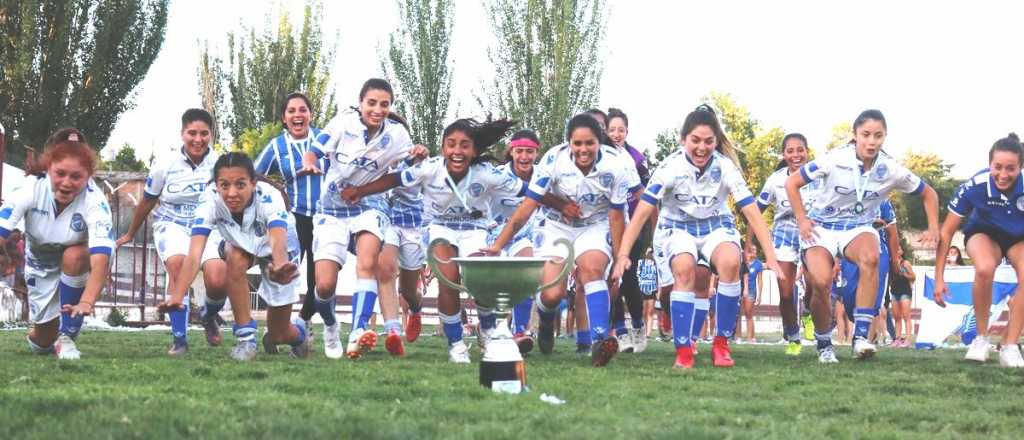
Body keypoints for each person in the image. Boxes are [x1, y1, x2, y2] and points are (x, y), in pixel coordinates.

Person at [612, 104, 783, 369]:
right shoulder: (669, 167)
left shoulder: (725, 167)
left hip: (715, 225)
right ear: (683, 140)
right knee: (683, 271)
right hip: (677, 228)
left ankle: (721, 345)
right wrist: (623, 254)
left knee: (730, 262)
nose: (702, 147)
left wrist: (770, 255)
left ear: (716, 142)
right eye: (695, 140)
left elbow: (751, 211)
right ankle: (683, 350)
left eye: (708, 141)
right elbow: (642, 212)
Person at [345, 117, 524, 364]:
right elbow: (394, 179)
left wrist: (561, 202)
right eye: (451, 145)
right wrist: (359, 191)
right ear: (443, 149)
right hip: (439, 228)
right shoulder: (430, 168)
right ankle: (456, 344)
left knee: (479, 278)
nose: (457, 151)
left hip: (476, 229)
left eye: (464, 145)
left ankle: (487, 328)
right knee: (448, 278)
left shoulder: (486, 173)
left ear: (473, 150)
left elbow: (530, 191)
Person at [786, 109, 939, 363]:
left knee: (871, 256)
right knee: (821, 283)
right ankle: (824, 344)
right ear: (855, 135)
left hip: (858, 226)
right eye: (866, 135)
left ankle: (860, 339)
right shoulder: (834, 159)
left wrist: (934, 227)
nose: (871, 141)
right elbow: (792, 183)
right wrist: (802, 219)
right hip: (822, 227)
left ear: (885, 137)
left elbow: (929, 193)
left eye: (878, 136)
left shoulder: (890, 168)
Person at [485, 113, 634, 367]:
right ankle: (544, 319)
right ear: (568, 144)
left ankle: (600, 341)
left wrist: (621, 257)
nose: (583, 149)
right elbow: (527, 207)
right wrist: (498, 244)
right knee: (553, 293)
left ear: (599, 142)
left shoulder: (617, 166)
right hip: (556, 225)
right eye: (577, 144)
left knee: (592, 270)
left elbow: (617, 216)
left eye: (589, 143)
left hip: (594, 226)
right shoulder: (553, 160)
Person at [299, 78, 426, 360]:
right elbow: (315, 150)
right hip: (331, 211)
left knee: (369, 263)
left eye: (384, 104)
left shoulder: (397, 135)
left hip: (370, 207)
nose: (378, 109)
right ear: (360, 103)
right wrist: (309, 162)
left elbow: (400, 172)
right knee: (324, 285)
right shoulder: (343, 123)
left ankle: (357, 333)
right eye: (372, 103)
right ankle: (331, 326)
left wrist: (416, 156)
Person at [160, 152, 307, 361]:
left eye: (240, 185)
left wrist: (280, 265)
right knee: (234, 258)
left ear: (253, 183)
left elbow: (277, 239)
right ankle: (246, 339)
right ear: (216, 185)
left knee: (280, 333)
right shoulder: (208, 200)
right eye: (224, 185)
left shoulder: (270, 196)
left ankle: (299, 335)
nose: (231, 193)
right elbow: (194, 254)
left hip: (277, 247)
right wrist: (177, 295)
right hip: (239, 243)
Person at [116, 109, 228, 356]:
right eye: (192, 133)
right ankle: (180, 340)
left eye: (204, 134)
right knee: (179, 269)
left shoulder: (220, 163)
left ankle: (208, 315)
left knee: (218, 280)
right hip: (172, 225)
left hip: (208, 227)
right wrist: (130, 233)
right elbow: (147, 201)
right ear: (182, 134)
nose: (197, 139)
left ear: (211, 135)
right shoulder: (165, 164)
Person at [0, 128, 113, 360]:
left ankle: (67, 338)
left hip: (78, 263)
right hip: (40, 266)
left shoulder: (96, 201)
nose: (66, 183)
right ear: (48, 167)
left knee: (75, 255)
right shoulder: (30, 187)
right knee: (42, 344)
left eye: (76, 177)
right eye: (60, 173)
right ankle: (43, 336)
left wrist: (86, 301)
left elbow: (101, 258)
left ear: (88, 175)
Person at [934, 133, 1024, 367]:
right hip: (984, 234)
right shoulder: (974, 186)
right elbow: (946, 232)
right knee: (984, 268)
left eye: (1011, 168)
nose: (1003, 175)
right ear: (989, 164)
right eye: (998, 167)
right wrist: (939, 278)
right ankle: (981, 339)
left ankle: (1010, 346)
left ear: (1020, 167)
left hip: (1018, 238)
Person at [254, 92, 329, 348]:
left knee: (319, 282)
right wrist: (276, 187)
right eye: (291, 111)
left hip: (326, 218)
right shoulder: (276, 146)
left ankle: (303, 320)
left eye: (302, 110)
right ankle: (276, 331)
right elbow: (253, 174)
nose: (297, 115)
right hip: (293, 219)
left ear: (310, 114)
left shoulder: (324, 140)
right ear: (284, 118)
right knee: (287, 274)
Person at [754, 133, 818, 355]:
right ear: (784, 154)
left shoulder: (820, 175)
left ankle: (808, 311)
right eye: (790, 151)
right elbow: (754, 211)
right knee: (786, 292)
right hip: (783, 235)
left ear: (807, 151)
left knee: (815, 285)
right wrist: (748, 245)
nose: (796, 155)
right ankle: (792, 336)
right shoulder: (775, 180)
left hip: (812, 234)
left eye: (800, 150)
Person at [487, 129, 543, 354]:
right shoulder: (497, 175)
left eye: (530, 152)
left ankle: (521, 331)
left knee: (525, 275)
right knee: (496, 287)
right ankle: (491, 332)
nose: (524, 157)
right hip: (495, 237)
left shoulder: (543, 176)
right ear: (511, 151)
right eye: (519, 151)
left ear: (536, 153)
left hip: (524, 237)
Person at [606, 108, 653, 353]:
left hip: (630, 227)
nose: (616, 134)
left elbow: (646, 194)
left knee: (629, 280)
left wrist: (647, 231)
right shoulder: (597, 153)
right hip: (602, 227)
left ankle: (637, 324)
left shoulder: (634, 158)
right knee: (609, 280)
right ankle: (619, 331)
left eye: (620, 130)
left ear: (627, 131)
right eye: (611, 129)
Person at [889, 247, 916, 347]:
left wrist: (904, 274)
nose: (897, 250)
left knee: (906, 315)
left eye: (899, 248)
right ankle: (898, 338)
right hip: (894, 291)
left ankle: (908, 339)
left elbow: (913, 277)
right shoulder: (891, 263)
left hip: (905, 291)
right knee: (896, 317)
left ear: (902, 252)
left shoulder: (905, 263)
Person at [740, 245, 763, 343]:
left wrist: (759, 295)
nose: (754, 252)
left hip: (751, 290)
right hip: (740, 289)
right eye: (752, 250)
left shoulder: (758, 264)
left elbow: (760, 280)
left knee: (748, 313)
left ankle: (750, 337)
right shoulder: (742, 262)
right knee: (738, 313)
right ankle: (738, 337)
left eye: (755, 250)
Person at [637, 249, 659, 339]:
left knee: (650, 312)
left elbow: (658, 276)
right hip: (641, 288)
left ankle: (648, 333)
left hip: (652, 288)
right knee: (642, 312)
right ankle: (641, 331)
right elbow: (637, 275)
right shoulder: (640, 262)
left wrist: (658, 289)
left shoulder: (655, 263)